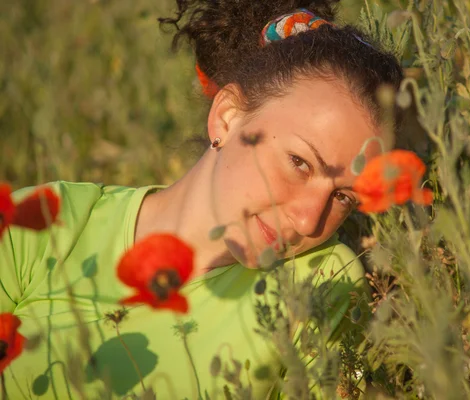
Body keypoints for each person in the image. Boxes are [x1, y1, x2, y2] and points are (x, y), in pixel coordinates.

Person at [0, 0, 419, 398]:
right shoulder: (44, 222)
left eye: (344, 196)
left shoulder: (320, 286)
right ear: (228, 117)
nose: (310, 220)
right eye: (300, 163)